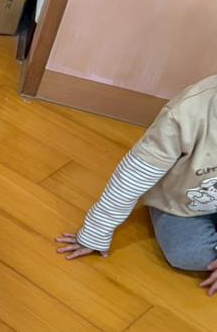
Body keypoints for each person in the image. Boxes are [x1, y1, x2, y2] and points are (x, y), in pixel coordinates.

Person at [56, 74, 217, 296]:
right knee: (190, 254)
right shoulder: (187, 113)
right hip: (181, 203)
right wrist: (96, 231)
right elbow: (132, 178)